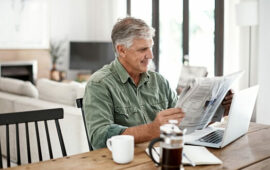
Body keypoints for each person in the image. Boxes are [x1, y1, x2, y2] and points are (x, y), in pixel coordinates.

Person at [83, 17, 233, 150]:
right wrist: (152, 129)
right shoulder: (99, 84)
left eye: (151, 47)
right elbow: (99, 137)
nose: (151, 55)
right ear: (121, 50)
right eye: (143, 49)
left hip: (162, 156)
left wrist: (218, 110)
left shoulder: (159, 81)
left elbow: (184, 124)